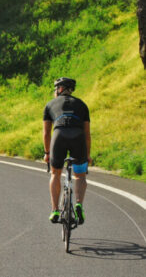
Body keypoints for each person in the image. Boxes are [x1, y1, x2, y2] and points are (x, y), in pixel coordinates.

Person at [43, 77, 92, 225]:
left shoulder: (50, 104)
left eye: (55, 89)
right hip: (78, 138)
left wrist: (47, 153)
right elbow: (87, 134)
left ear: (60, 89)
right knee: (80, 175)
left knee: (55, 173)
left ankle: (55, 210)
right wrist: (87, 156)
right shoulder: (82, 104)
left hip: (59, 137)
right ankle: (78, 204)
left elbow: (46, 133)